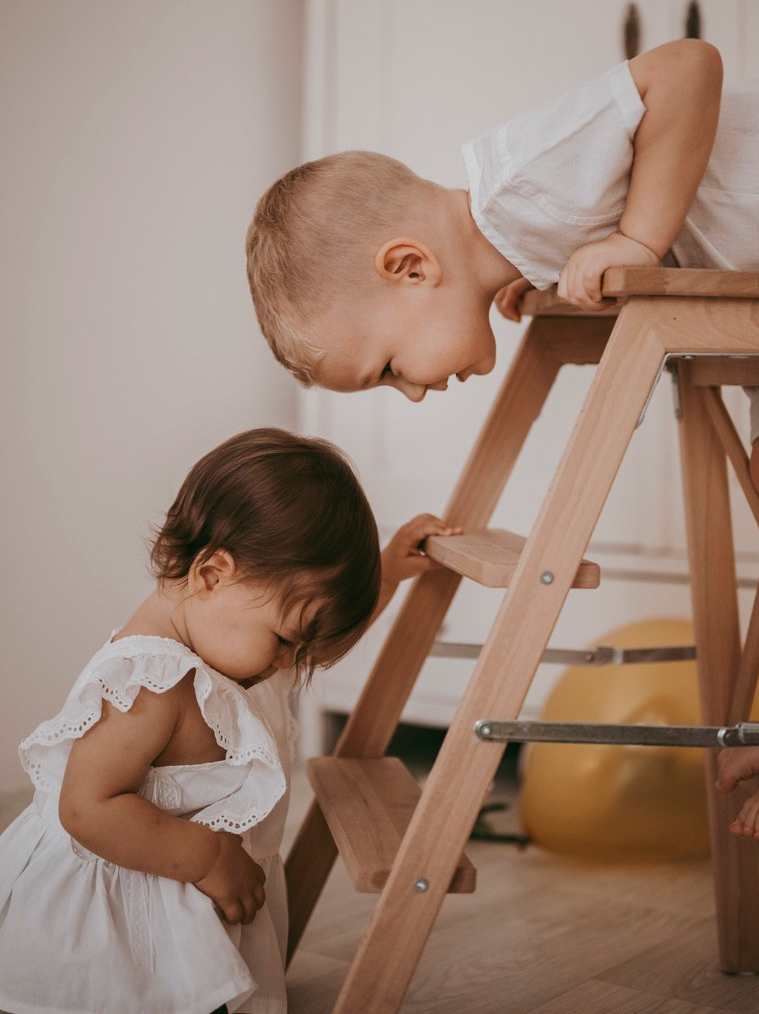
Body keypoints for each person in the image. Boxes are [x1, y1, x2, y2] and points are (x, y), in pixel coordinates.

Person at [246, 38, 759, 833]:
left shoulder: (519, 179)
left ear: (410, 267)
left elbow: (688, 67)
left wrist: (637, 242)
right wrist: (541, 270)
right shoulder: (530, 236)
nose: (412, 391)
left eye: (390, 368)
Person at [0, 427, 459, 1014]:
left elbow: (304, 636)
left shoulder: (237, 647)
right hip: (109, 932)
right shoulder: (150, 679)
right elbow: (87, 808)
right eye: (288, 641)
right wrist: (210, 858)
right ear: (212, 574)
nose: (289, 664)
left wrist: (387, 576)